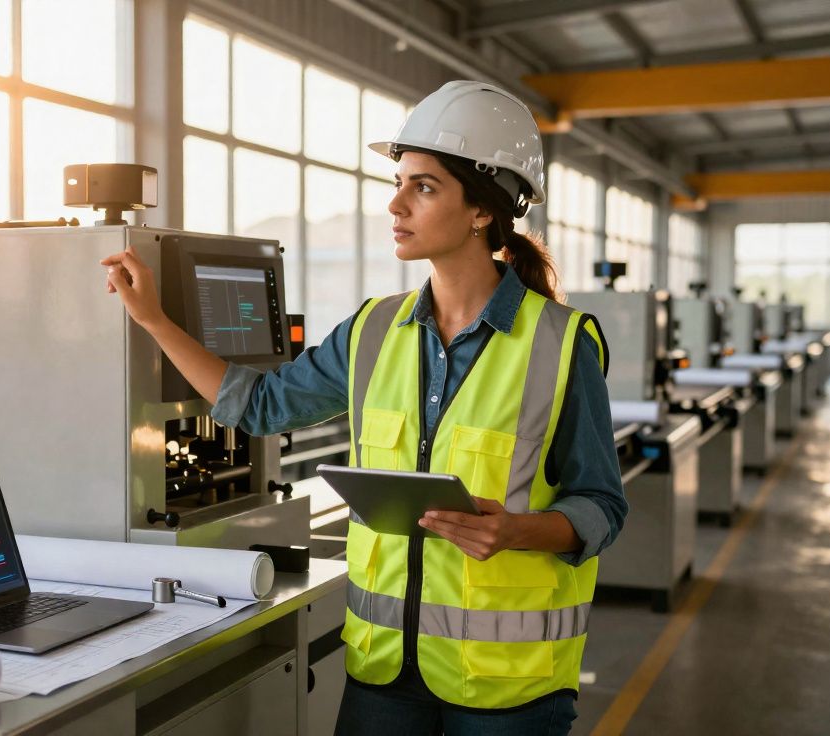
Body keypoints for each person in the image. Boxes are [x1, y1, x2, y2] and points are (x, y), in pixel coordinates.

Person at [101, 80, 626, 735]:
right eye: (399, 181)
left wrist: (516, 531)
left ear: (481, 211)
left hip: (506, 690)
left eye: (424, 187)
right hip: (384, 676)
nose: (395, 203)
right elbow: (260, 406)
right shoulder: (373, 331)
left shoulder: (560, 344)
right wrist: (153, 320)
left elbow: (602, 506)